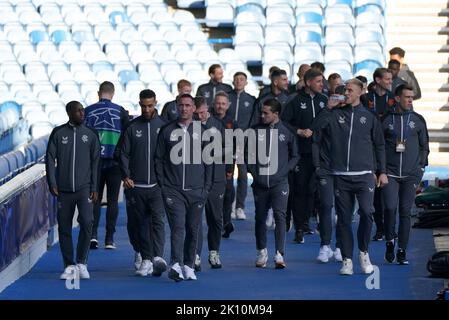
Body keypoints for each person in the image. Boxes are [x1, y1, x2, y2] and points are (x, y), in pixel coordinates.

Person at [319, 79, 387, 275]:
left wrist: (381, 171)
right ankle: (347, 259)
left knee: (367, 212)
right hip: (341, 175)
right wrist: (328, 109)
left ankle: (363, 252)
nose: (346, 93)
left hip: (365, 175)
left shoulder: (369, 117)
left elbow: (379, 145)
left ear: (360, 92)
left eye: (350, 90)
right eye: (345, 90)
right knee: (343, 219)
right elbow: (316, 129)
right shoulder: (335, 114)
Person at [155, 93, 213, 282]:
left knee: (193, 228)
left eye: (188, 105)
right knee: (178, 227)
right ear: (176, 107)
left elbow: (209, 162)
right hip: (173, 190)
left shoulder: (203, 131)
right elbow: (158, 159)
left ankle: (188, 265)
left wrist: (206, 188)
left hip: (197, 191)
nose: (184, 109)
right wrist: (163, 185)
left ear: (194, 108)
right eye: (181, 105)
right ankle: (175, 264)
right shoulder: (166, 130)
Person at [46, 100, 100, 280]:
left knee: (87, 221)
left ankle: (82, 262)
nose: (82, 113)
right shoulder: (58, 133)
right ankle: (69, 265)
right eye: (78, 111)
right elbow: (50, 158)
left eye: (83, 110)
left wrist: (94, 186)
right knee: (64, 227)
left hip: (84, 189)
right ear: (69, 113)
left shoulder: (91, 134)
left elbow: (95, 162)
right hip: (63, 190)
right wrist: (52, 182)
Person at [118, 89, 168, 276]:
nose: (147, 109)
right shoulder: (132, 127)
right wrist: (126, 176)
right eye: (143, 106)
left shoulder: (164, 126)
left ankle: (158, 258)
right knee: (139, 224)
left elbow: (169, 156)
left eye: (150, 105)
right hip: (136, 186)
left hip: (157, 186)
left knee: (158, 221)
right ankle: (145, 258)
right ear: (139, 105)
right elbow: (123, 153)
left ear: (155, 103)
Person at [247, 98, 299, 268]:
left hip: (280, 183)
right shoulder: (254, 131)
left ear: (276, 114)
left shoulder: (287, 131)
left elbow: (295, 155)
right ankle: (261, 251)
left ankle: (279, 254)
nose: (262, 115)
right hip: (260, 184)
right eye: (261, 112)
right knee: (260, 218)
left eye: (266, 113)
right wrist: (254, 171)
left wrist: (285, 171)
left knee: (280, 216)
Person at [382, 84, 429, 265]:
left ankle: (402, 250)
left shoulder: (418, 120)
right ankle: (389, 241)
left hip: (411, 174)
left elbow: (425, 146)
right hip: (391, 174)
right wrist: (381, 170)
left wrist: (421, 168)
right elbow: (378, 146)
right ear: (397, 98)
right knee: (390, 209)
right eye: (407, 97)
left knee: (405, 212)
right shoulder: (386, 119)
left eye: (411, 97)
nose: (410, 100)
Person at [282, 68, 328, 244]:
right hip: (301, 153)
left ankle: (307, 222)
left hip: (321, 154)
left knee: (313, 190)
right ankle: (299, 227)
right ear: (308, 82)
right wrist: (298, 131)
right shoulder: (294, 100)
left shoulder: (324, 101)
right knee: (300, 189)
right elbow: (284, 122)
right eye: (318, 81)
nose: (321, 84)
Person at [84, 81, 129, 250]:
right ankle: (110, 239)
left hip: (94, 162)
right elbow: (127, 137)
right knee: (112, 201)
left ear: (98, 93)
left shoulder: (88, 111)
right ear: (113, 93)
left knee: (94, 199)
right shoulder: (120, 111)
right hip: (115, 163)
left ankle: (93, 236)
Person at [193, 96, 230, 270]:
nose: (200, 116)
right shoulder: (190, 126)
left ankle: (214, 252)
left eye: (202, 112)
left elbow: (229, 148)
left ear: (207, 108)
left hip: (217, 178)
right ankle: (196, 254)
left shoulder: (219, 125)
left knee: (215, 218)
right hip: (197, 179)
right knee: (195, 219)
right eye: (197, 113)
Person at [311, 92, 345, 263]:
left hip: (346, 170)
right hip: (326, 168)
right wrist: (317, 166)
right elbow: (315, 134)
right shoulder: (326, 114)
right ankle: (325, 245)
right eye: (336, 97)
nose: (339, 101)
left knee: (342, 210)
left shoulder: (352, 114)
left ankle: (340, 246)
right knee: (325, 205)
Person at [227, 72, 256, 220]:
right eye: (236, 79)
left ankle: (240, 207)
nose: (238, 81)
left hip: (244, 142)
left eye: (242, 79)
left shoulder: (251, 100)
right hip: (227, 141)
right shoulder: (227, 97)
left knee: (243, 175)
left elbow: (254, 121)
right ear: (233, 81)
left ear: (246, 82)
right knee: (228, 174)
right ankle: (229, 205)